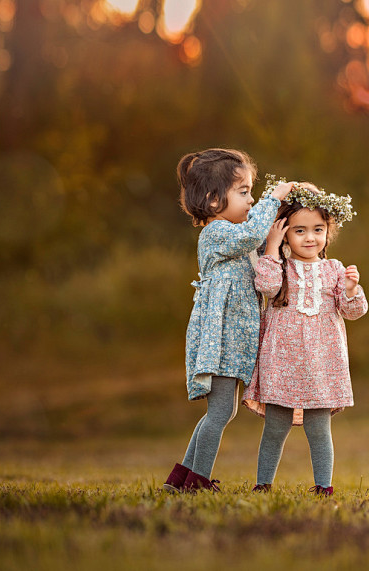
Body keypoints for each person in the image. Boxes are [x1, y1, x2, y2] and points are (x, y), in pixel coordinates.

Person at [162, 150, 293, 493]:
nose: (252, 200)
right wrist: (271, 199)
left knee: (223, 413)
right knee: (220, 413)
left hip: (235, 341)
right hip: (219, 339)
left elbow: (263, 240)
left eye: (253, 192)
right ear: (213, 199)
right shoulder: (217, 233)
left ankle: (181, 480)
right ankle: (196, 482)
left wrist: (289, 212)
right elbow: (251, 236)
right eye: (244, 191)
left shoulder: (237, 236)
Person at [243, 178, 368, 496]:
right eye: (299, 230)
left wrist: (352, 289)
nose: (310, 237)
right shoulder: (280, 266)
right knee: (275, 426)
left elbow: (353, 311)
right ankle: (263, 484)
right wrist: (272, 247)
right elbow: (267, 287)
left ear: (328, 231)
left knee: (318, 427)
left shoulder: (335, 270)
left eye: (317, 229)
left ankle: (324, 486)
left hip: (321, 362)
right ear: (284, 231)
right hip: (282, 360)